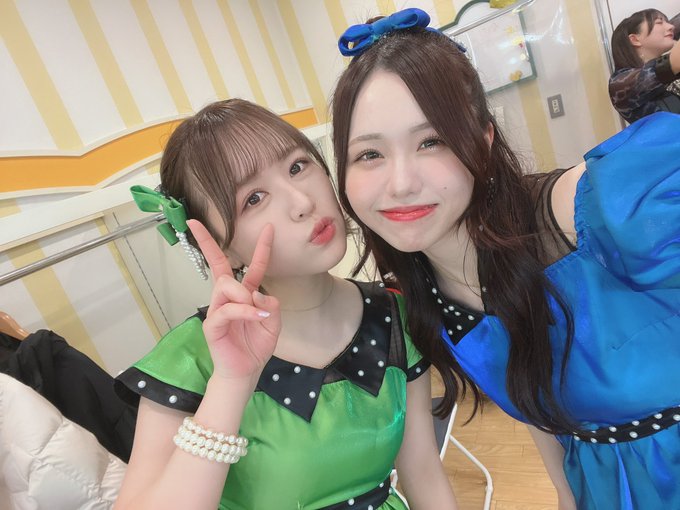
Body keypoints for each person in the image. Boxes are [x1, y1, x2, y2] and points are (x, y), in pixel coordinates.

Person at [332, 8, 680, 510]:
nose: (401, 183)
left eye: (432, 141)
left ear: (484, 140)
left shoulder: (595, 210)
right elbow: (541, 407)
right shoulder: (426, 296)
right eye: (369, 154)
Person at [113, 99, 456, 510]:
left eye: (297, 166)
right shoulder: (189, 360)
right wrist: (231, 384)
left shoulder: (393, 316)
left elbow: (423, 472)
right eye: (254, 198)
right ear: (220, 246)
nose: (302, 202)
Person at [609, 8, 680, 122]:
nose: (671, 27)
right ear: (635, 39)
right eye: (659, 22)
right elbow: (662, 69)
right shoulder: (620, 85)